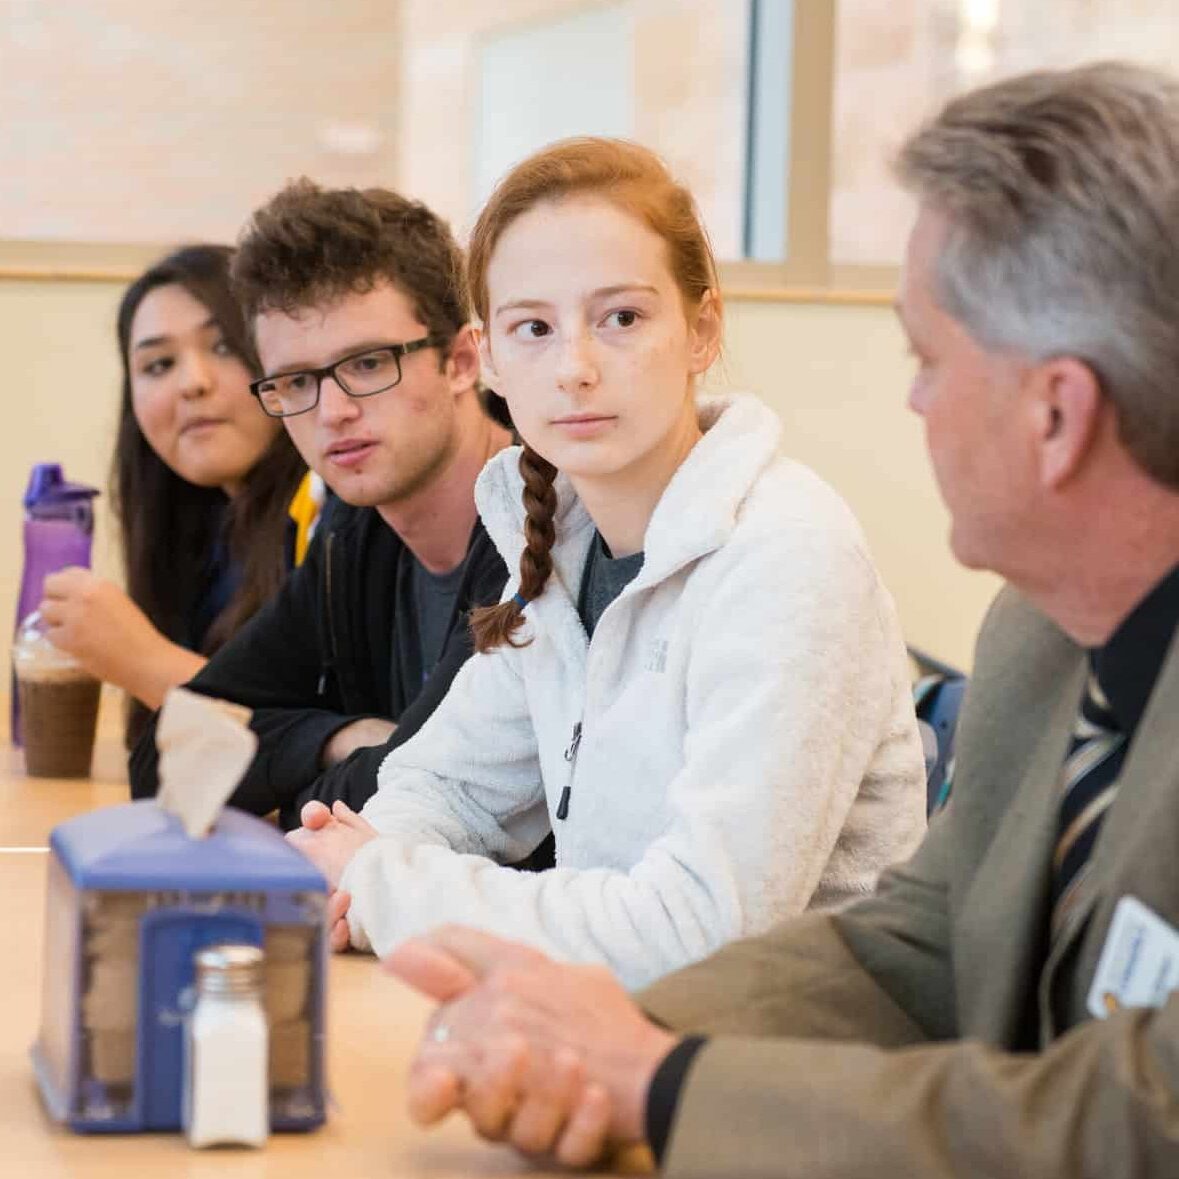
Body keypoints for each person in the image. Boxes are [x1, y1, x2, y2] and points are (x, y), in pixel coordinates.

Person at [384, 63, 1179, 1177]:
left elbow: (1135, 1125)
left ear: (1057, 415)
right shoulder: (1038, 639)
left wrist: (663, 1085)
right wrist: (611, 1037)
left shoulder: (792, 550)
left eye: (927, 360)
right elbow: (915, 951)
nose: (911, 403)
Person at [288, 138, 926, 989]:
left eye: (621, 318)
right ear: (493, 359)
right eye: (534, 329)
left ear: (701, 330)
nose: (576, 368)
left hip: (790, 1070)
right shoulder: (560, 539)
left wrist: (379, 883)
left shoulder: (786, 557)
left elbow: (697, 935)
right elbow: (446, 786)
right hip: (620, 1039)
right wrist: (360, 864)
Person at [128, 182, 523, 835]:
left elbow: (429, 782)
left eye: (367, 364)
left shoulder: (540, 528)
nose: (332, 412)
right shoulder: (354, 531)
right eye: (297, 381)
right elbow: (167, 756)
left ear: (460, 360)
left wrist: (309, 779)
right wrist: (338, 738)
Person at [39, 245, 306, 746]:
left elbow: (328, 752)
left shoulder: (333, 521)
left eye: (224, 346)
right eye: (159, 365)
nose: (193, 384)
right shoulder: (199, 534)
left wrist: (143, 661)